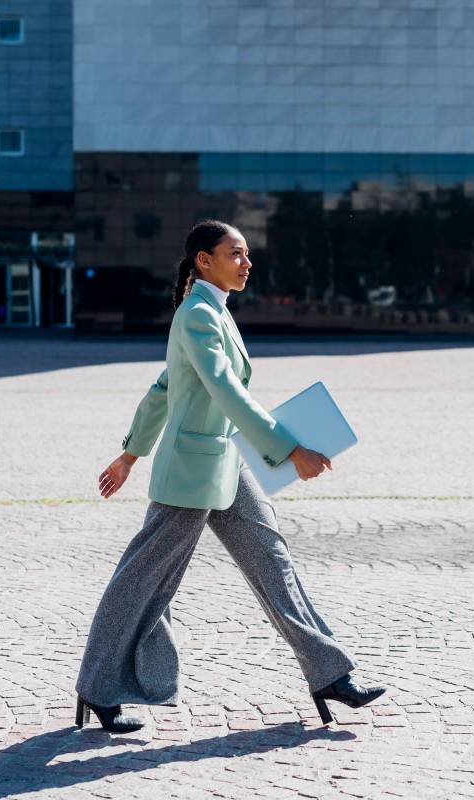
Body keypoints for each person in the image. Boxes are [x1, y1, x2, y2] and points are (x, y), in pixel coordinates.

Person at [74, 220, 385, 733]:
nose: (246, 263)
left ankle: (329, 673)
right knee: (143, 582)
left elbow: (162, 390)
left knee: (274, 564)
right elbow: (224, 391)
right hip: (191, 471)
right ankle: (97, 687)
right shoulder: (197, 315)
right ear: (203, 260)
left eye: (245, 254)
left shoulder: (212, 312)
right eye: (235, 254)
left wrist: (129, 455)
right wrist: (289, 450)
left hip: (226, 463)